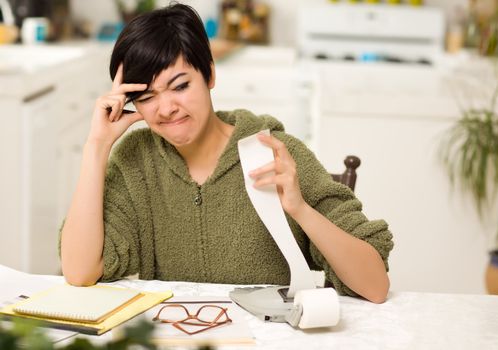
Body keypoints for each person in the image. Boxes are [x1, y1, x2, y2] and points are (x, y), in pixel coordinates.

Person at [60, 3, 393, 303]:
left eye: (180, 86)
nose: (166, 108)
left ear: (210, 74)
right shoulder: (135, 159)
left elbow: (375, 286)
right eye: (146, 97)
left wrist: (299, 208)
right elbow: (79, 272)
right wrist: (97, 146)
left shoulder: (276, 153)